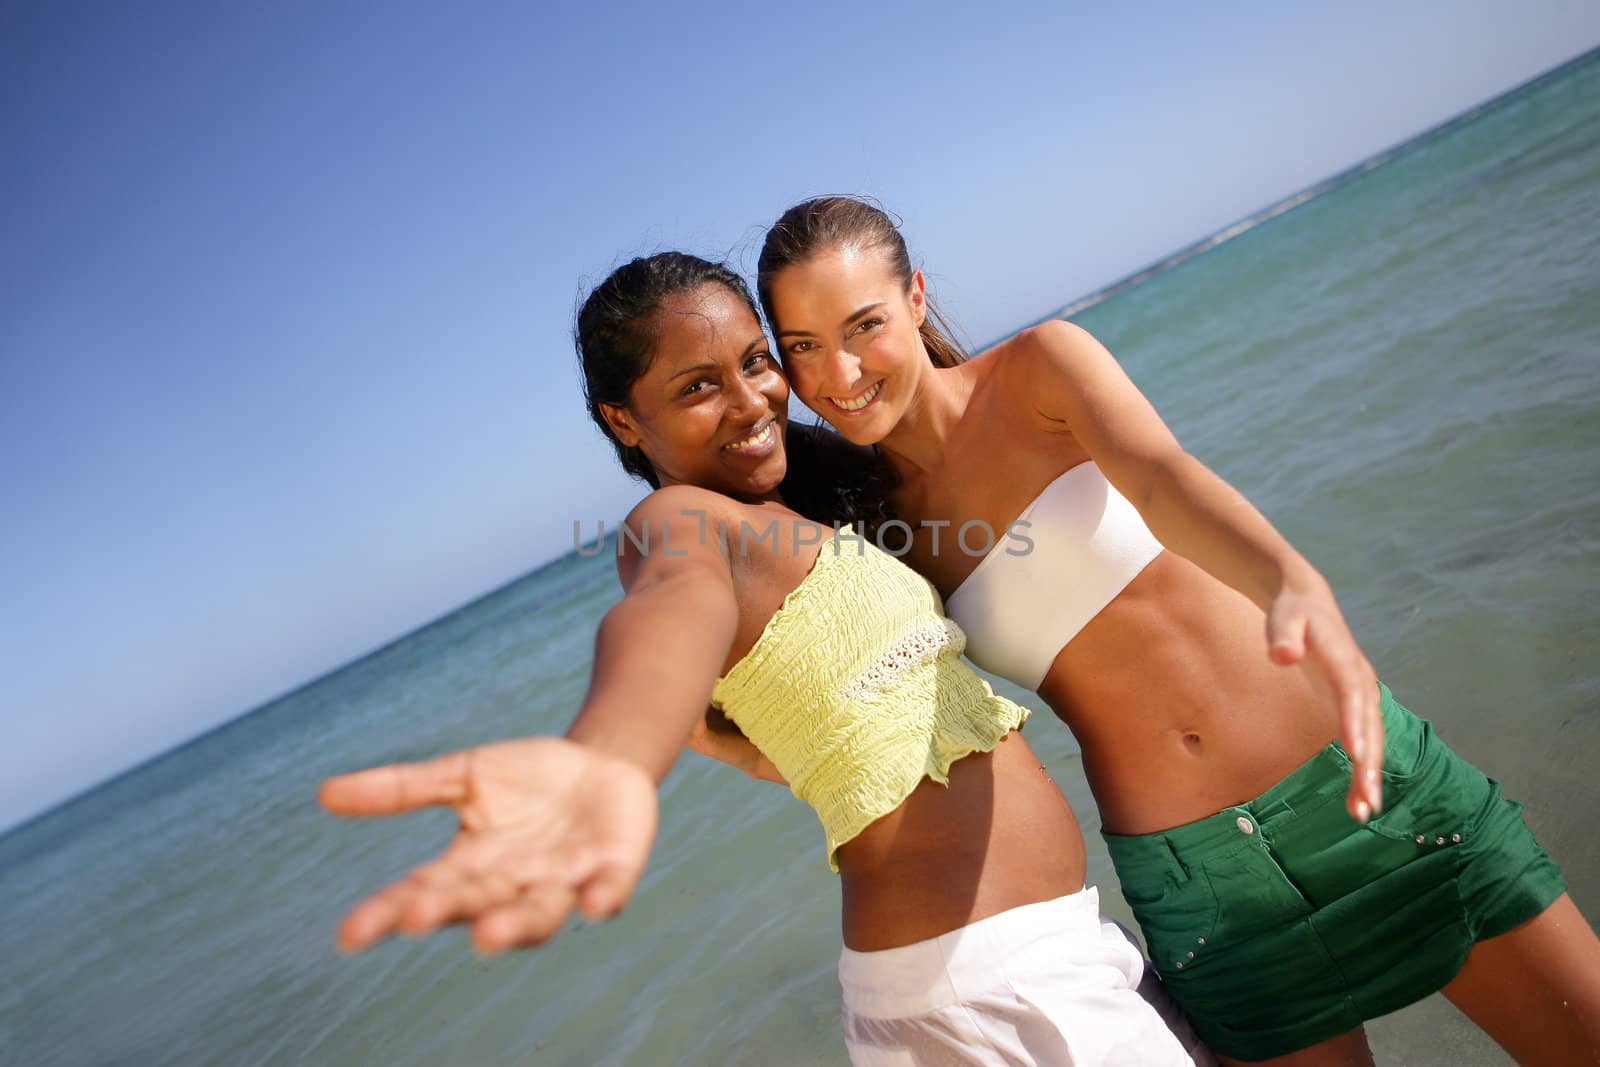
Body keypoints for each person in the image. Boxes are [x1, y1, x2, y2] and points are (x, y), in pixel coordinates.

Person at [751, 196, 1600, 1066]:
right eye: (804, 348)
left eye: (865, 325)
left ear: (917, 297)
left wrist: (1293, 583)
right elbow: (802, 701)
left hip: (1368, 788)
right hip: (1202, 884)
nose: (840, 371)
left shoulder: (1040, 370)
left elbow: (1162, 479)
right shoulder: (884, 540)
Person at [320, 252, 1212, 1066]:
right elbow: (667, 613)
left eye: (755, 360)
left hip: (1017, 963)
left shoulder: (793, 520)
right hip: (992, 983)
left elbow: (796, 742)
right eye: (698, 385)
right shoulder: (676, 525)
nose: (751, 400)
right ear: (624, 419)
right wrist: (608, 758)